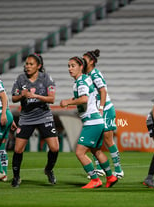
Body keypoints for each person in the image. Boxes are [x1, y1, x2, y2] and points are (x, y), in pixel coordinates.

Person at [60, 56, 118, 189]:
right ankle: (110, 176)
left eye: (73, 66)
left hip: (92, 121)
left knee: (80, 152)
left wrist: (68, 102)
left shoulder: (81, 81)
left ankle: (95, 179)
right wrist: (70, 100)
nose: (70, 69)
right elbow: (83, 97)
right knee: (96, 151)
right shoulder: (85, 79)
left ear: (81, 67)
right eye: (68, 66)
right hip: (97, 120)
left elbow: (84, 99)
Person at [10, 53, 59, 187]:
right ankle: (16, 177)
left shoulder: (46, 78)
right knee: (18, 149)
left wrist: (34, 95)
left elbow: (52, 99)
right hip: (26, 118)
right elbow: (13, 98)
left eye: (31, 64)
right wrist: (22, 95)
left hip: (44, 115)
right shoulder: (21, 79)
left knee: (54, 148)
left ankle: (48, 170)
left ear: (39, 66)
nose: (28, 66)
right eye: (26, 64)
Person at [82, 49, 124, 178]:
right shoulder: (86, 75)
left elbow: (103, 91)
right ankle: (99, 168)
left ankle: (118, 169)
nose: (82, 62)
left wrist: (100, 108)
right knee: (96, 141)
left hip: (105, 109)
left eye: (85, 60)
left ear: (92, 61)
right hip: (96, 110)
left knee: (108, 139)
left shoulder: (95, 74)